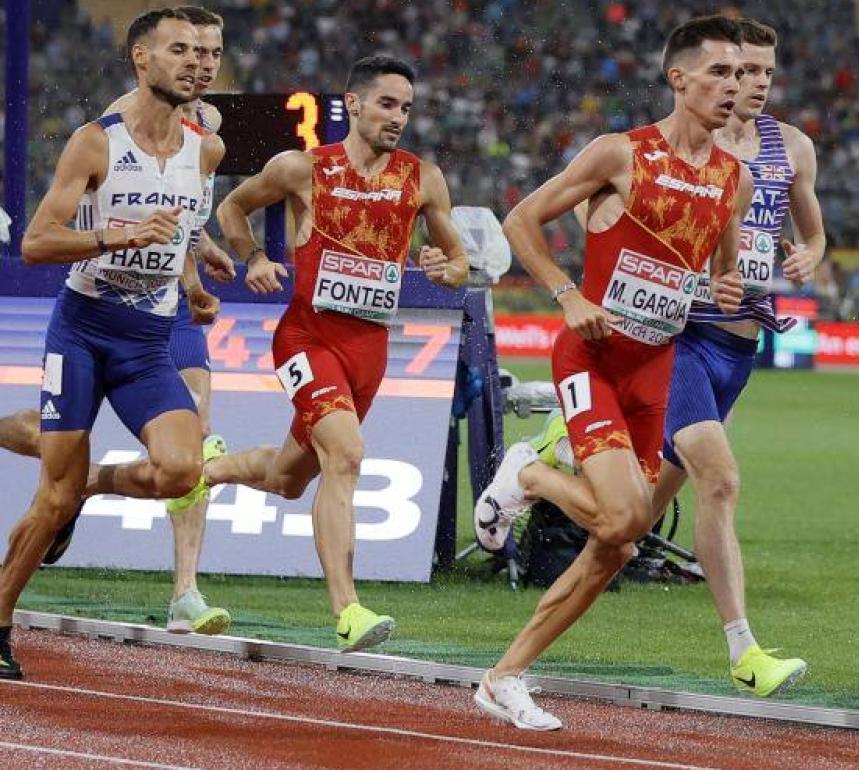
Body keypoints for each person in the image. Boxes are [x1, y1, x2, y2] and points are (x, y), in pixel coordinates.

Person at [472, 15, 749, 731]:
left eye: (742, 75)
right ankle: (530, 472)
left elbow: (720, 275)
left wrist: (725, 290)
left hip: (654, 370)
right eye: (719, 72)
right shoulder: (619, 154)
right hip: (590, 359)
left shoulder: (733, 179)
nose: (735, 86)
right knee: (626, 516)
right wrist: (568, 295)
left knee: (618, 544)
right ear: (678, 78)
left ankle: (505, 675)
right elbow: (521, 221)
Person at [205, 54, 469, 652]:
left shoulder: (423, 178)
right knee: (345, 455)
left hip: (370, 348)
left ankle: (207, 469)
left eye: (405, 107)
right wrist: (253, 259)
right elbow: (231, 208)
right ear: (353, 104)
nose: (397, 117)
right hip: (307, 338)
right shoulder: (303, 167)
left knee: (288, 477)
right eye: (386, 104)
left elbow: (458, 262)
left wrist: (443, 267)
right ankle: (348, 610)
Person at [0, 8, 229, 679]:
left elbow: (180, 226)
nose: (198, 64)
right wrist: (117, 236)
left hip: (149, 342)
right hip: (83, 332)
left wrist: (189, 282)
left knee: (182, 471)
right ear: (142, 59)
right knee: (51, 500)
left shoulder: (206, 150)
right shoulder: (95, 142)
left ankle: (86, 488)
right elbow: (36, 243)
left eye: (207, 54)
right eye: (180, 51)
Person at [643, 17, 823, 698]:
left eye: (765, 75)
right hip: (682, 336)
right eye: (740, 71)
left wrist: (810, 254)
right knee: (718, 480)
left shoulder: (790, 148)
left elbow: (813, 230)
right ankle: (746, 651)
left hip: (738, 347)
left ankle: (535, 474)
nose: (752, 85)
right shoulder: (692, 141)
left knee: (633, 518)